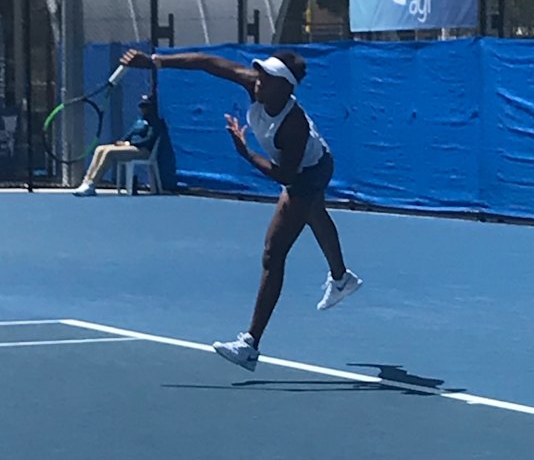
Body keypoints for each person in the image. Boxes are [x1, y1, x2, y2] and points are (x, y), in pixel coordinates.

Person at [120, 47, 362, 371]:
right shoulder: (255, 85)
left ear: (286, 87)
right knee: (314, 214)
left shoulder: (293, 127)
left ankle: (249, 345)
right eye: (259, 73)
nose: (259, 79)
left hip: (308, 173)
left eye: (268, 76)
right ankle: (341, 277)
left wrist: (245, 152)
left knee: (273, 253)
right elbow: (207, 63)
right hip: (316, 163)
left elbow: (285, 176)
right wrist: (155, 62)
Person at [73, 94, 161, 197]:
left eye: (146, 106)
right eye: (142, 106)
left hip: (143, 151)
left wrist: (129, 143)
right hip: (129, 147)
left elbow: (148, 140)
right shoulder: (139, 120)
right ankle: (86, 182)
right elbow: (129, 134)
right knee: (100, 149)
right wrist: (122, 142)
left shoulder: (155, 122)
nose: (143, 109)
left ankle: (92, 184)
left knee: (109, 152)